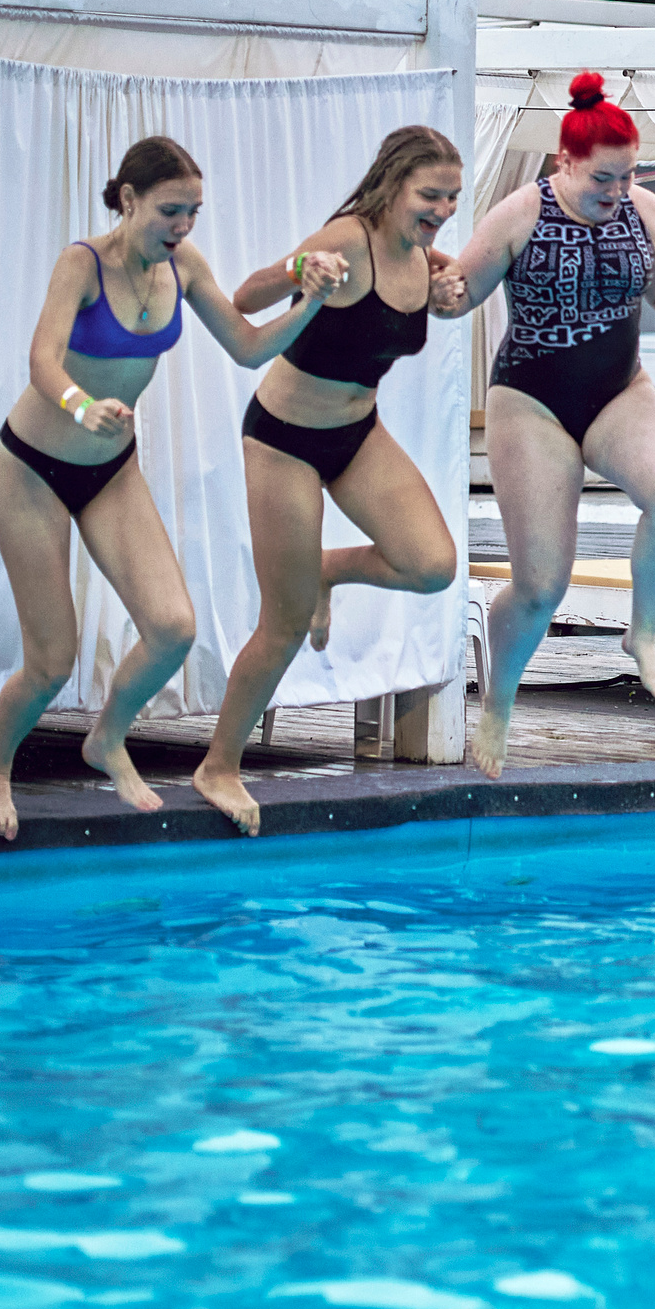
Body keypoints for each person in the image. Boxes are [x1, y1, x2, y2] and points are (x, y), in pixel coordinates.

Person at [0, 137, 347, 840]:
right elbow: (41, 359)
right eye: (170, 211)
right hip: (31, 467)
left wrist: (309, 302)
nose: (182, 226)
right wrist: (84, 406)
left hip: (110, 470)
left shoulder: (184, 266)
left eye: (194, 213)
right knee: (51, 658)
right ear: (128, 200)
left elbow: (245, 346)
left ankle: (106, 738)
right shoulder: (81, 264)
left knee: (175, 628)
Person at [433, 72, 655, 776]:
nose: (617, 191)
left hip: (620, 389)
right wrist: (438, 288)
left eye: (626, 177)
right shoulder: (519, 214)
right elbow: (458, 297)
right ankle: (498, 701)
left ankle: (643, 631)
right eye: (603, 178)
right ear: (564, 163)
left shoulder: (646, 213)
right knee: (540, 586)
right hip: (531, 399)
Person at [191, 126, 466, 834]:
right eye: (430, 195)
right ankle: (219, 765)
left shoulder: (420, 256)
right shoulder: (348, 239)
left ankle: (326, 572)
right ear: (392, 185)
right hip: (284, 438)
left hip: (357, 431)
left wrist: (449, 287)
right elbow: (246, 296)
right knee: (282, 627)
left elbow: (442, 283)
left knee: (433, 564)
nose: (442, 208)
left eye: (452, 197)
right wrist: (300, 277)